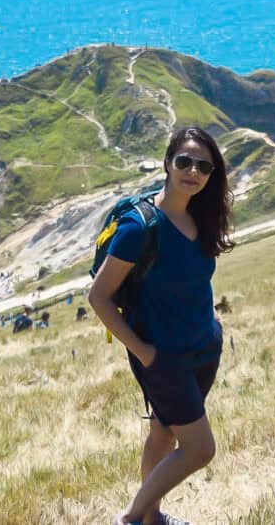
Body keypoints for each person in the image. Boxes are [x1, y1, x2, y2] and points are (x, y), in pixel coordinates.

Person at [89, 127, 235, 525]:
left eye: (203, 166)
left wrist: (213, 322)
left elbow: (192, 277)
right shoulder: (140, 228)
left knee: (162, 433)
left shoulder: (199, 219)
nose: (193, 171)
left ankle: (152, 519)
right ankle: (133, 517)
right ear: (167, 163)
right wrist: (145, 353)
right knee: (200, 449)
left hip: (203, 347)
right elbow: (99, 298)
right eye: (184, 161)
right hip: (164, 357)